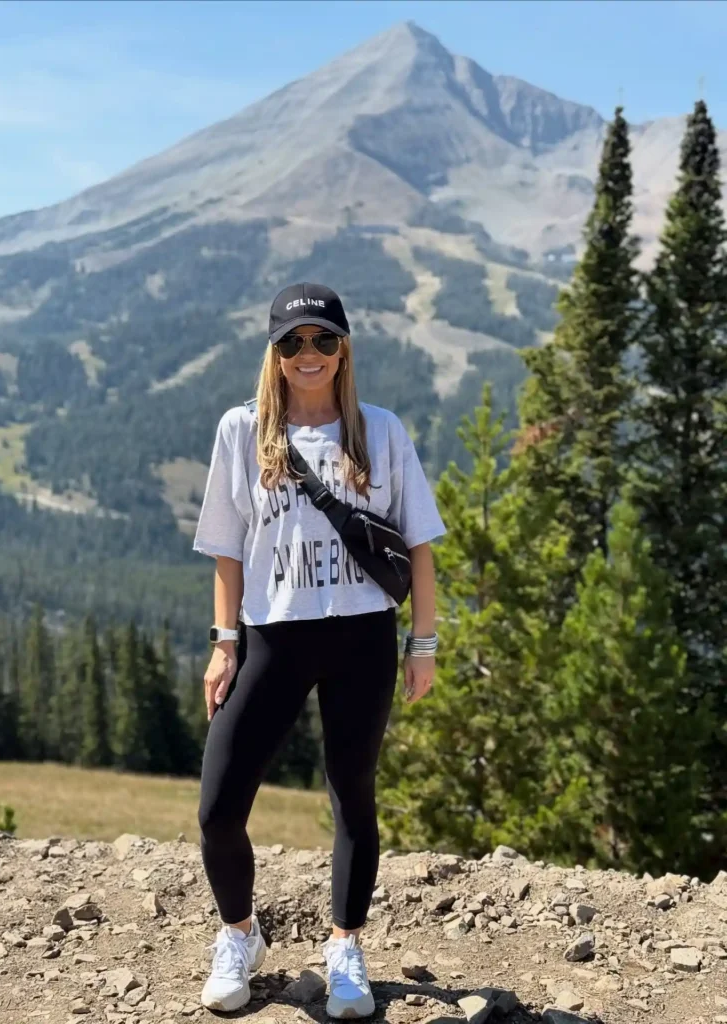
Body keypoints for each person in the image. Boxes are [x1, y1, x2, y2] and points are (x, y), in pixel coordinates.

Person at [193, 282, 445, 1017]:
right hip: (272, 634)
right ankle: (240, 933)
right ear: (273, 355)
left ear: (344, 350)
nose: (309, 355)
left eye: (323, 341)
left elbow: (421, 547)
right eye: (293, 342)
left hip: (363, 636)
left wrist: (422, 644)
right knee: (217, 807)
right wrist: (224, 643)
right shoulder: (241, 433)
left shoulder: (381, 431)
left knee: (352, 799)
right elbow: (226, 551)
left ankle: (345, 946)